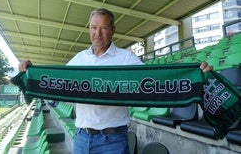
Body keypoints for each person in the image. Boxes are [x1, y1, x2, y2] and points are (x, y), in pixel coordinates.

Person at [18, 8, 213, 154]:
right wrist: (33, 71)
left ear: (113, 30)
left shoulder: (127, 58)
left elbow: (154, 83)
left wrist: (195, 74)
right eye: (94, 28)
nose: (98, 33)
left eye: (103, 28)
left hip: (113, 140)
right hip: (81, 139)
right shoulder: (78, 59)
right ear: (89, 29)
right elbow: (57, 83)